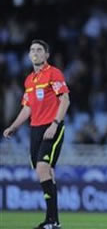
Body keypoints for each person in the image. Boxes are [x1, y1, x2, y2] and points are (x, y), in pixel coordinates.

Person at [3, 40, 70, 229]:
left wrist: (55, 124)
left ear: (46, 55)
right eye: (32, 50)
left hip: (52, 126)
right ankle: (54, 222)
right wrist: (14, 126)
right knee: (46, 172)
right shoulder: (29, 80)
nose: (35, 53)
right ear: (28, 55)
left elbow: (65, 100)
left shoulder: (53, 73)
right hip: (35, 129)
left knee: (42, 168)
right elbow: (27, 108)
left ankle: (51, 221)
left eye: (39, 50)